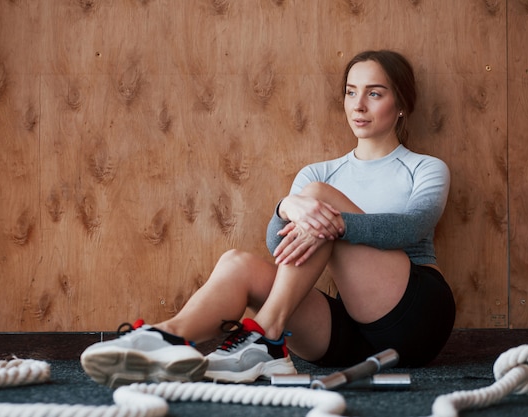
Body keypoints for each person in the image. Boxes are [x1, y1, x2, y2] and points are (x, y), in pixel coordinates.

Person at [80, 50, 456, 388]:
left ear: (401, 103)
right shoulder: (318, 172)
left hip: (415, 316)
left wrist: (338, 223)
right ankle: (168, 337)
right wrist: (284, 209)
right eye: (351, 92)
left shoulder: (424, 168)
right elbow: (282, 247)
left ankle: (267, 336)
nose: (359, 105)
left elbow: (413, 226)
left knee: (317, 199)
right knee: (236, 263)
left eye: (375, 93)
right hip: (350, 331)